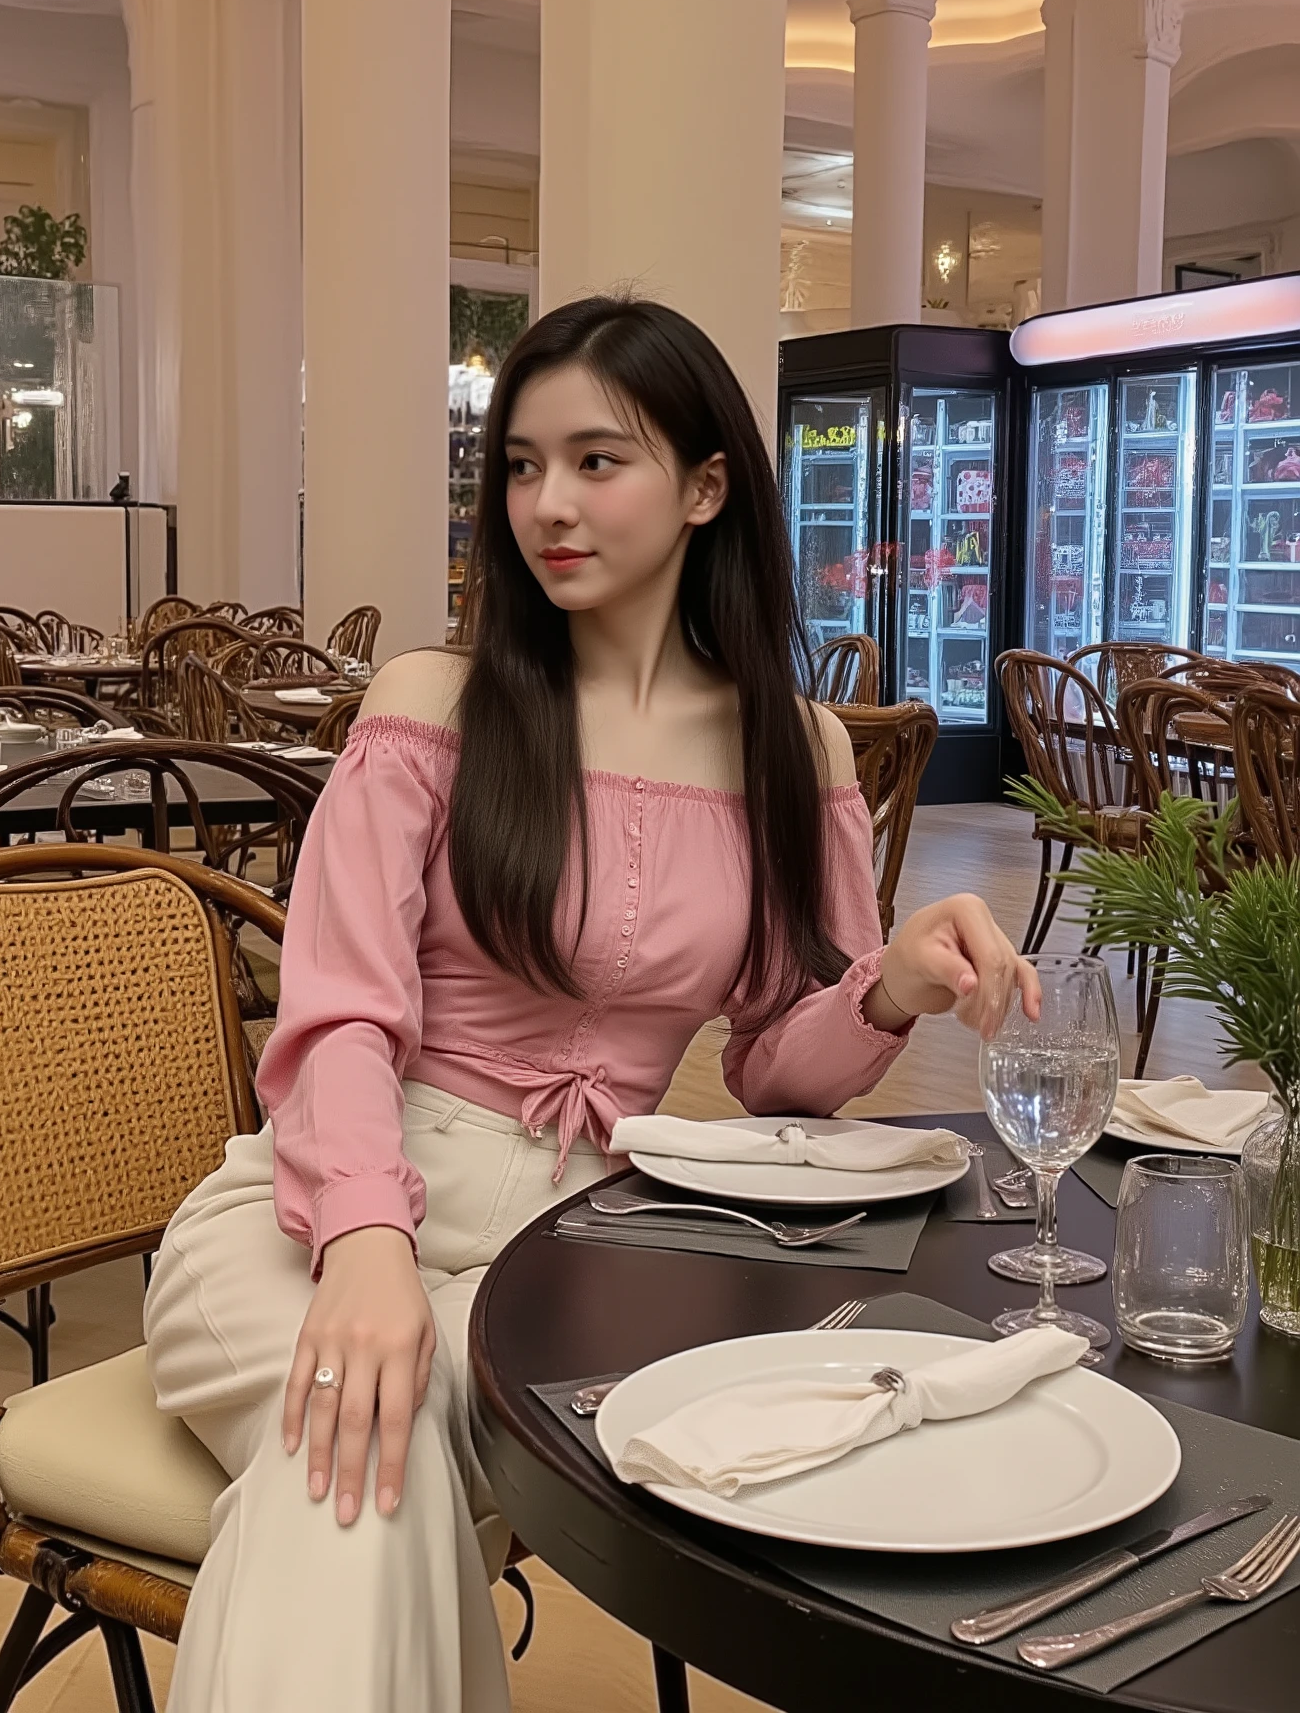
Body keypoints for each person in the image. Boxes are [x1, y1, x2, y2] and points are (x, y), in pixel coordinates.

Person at [144, 295, 1036, 1711]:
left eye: (596, 461)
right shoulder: (433, 703)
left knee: (363, 1476)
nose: (546, 503)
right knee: (363, 1456)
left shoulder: (788, 749)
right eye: (518, 465)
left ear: (705, 486)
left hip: (581, 1241)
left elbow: (773, 1070)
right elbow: (337, 1021)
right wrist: (370, 1251)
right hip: (309, 1216)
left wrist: (888, 989)